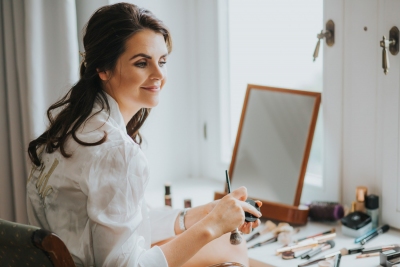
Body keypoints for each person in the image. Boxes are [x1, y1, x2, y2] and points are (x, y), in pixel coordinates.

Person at [26, 3, 261, 267]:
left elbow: (129, 222)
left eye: (162, 61)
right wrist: (212, 227)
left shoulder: (69, 128)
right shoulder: (114, 150)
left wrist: (203, 214)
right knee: (234, 250)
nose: (159, 74)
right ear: (102, 69)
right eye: (141, 63)